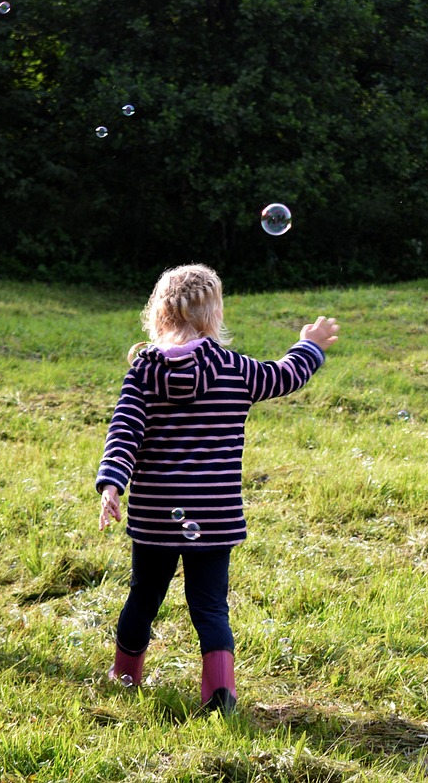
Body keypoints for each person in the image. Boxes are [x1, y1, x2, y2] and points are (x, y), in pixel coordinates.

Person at [95, 263, 339, 715]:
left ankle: (126, 674)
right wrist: (311, 346)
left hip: (155, 514)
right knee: (210, 605)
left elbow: (123, 432)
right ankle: (219, 692)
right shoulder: (236, 369)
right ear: (214, 316)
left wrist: (112, 482)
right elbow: (285, 375)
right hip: (216, 514)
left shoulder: (144, 374)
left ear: (158, 314)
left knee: (143, 596)